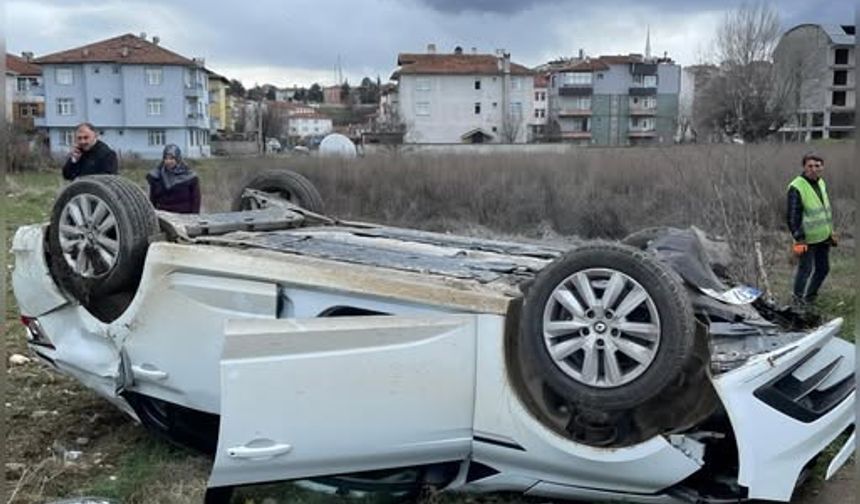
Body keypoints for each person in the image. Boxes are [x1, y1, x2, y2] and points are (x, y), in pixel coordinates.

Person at [787, 152, 836, 305]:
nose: (814, 169)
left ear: (822, 167)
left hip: (823, 236)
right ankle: (797, 302)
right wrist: (799, 239)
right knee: (805, 270)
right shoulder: (796, 186)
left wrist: (831, 232)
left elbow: (824, 209)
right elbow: (792, 216)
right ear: (804, 167)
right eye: (810, 166)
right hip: (806, 238)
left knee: (823, 269)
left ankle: (809, 298)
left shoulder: (821, 183)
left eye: (817, 166)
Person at [146, 144, 201, 213]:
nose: (168, 161)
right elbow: (152, 199)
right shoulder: (157, 176)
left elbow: (196, 201)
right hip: (163, 215)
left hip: (184, 216)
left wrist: (194, 218)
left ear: (177, 159)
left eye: (171, 158)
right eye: (166, 158)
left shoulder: (190, 177)